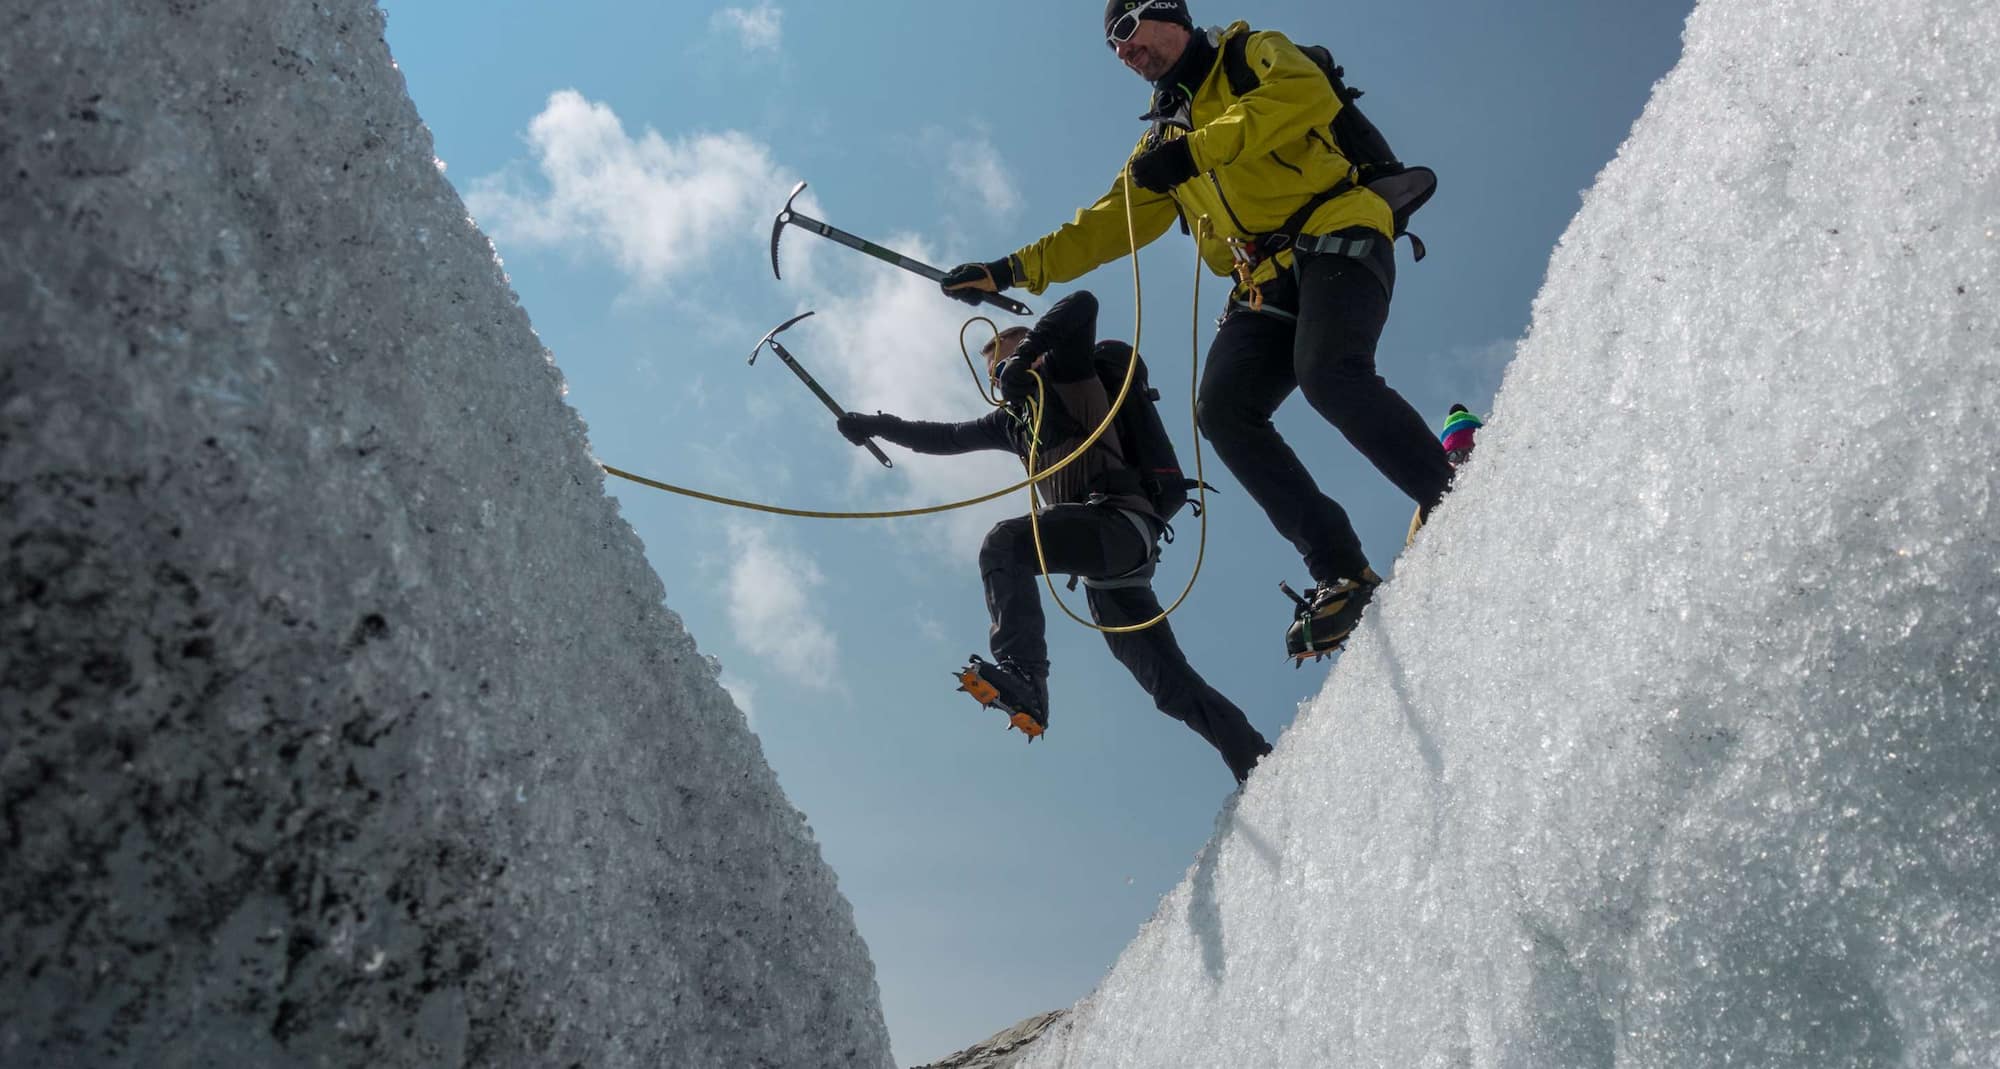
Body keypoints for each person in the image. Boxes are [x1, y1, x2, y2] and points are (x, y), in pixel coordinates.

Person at [939, 0, 1453, 663]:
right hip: (1262, 278)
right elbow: (1101, 225)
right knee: (1222, 410)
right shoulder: (1159, 146)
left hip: (1339, 229)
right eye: (1111, 47)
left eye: (1126, 31)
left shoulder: (1251, 54)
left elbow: (1307, 94)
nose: (1123, 52)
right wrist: (1008, 269)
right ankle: (1342, 570)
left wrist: (1196, 152)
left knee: (1329, 372)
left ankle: (1447, 491)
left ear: (1169, 14)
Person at [836, 290, 1272, 783]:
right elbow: (944, 437)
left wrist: (1027, 357)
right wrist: (876, 425)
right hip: (1108, 569)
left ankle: (1025, 677)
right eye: (995, 374)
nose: (1001, 379)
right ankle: (1258, 762)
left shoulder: (1068, 371)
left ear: (1035, 354)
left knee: (1004, 544)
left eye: (1005, 366)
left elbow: (1084, 303)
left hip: (1117, 525)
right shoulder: (1013, 423)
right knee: (1169, 686)